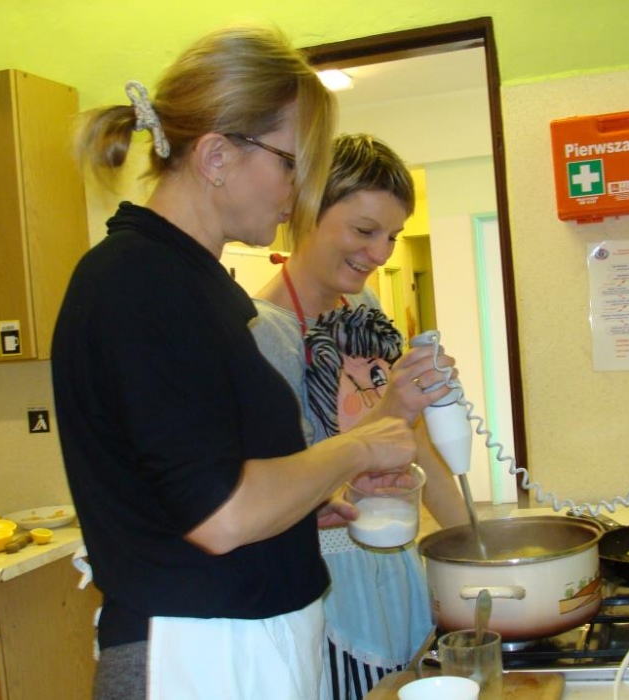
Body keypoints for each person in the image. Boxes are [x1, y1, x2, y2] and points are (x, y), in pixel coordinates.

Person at [50, 28, 417, 700]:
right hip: (195, 655)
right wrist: (358, 448)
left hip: (243, 642)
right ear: (217, 156)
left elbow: (197, 488)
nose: (300, 192)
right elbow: (221, 515)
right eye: (292, 165)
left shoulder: (193, 282)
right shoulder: (138, 282)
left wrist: (296, 511)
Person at [251, 133, 470, 699]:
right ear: (306, 211)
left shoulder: (363, 309)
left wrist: (474, 548)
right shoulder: (262, 333)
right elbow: (283, 492)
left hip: (393, 563)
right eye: (364, 230)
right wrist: (392, 407)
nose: (380, 254)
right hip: (324, 584)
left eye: (392, 236)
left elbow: (409, 442)